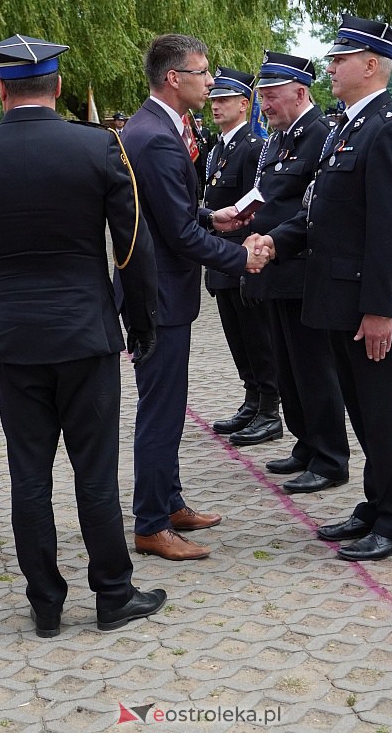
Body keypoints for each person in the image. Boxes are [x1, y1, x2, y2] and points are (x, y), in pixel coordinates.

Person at [0, 34, 166, 637]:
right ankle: (113, 595)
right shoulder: (97, 147)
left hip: (13, 340)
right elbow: (132, 248)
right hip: (85, 335)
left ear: (1, 87)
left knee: (29, 476)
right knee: (94, 474)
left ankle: (45, 602)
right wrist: (139, 322)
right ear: (58, 86)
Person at [249, 15, 392, 561]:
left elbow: (391, 229)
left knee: (386, 413)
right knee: (363, 410)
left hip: (370, 305)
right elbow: (321, 212)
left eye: (340, 59)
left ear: (371, 65)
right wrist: (276, 242)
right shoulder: (348, 126)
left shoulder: (390, 127)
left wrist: (380, 310)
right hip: (340, 300)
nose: (330, 67)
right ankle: (376, 505)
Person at [117, 33, 268, 561]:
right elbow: (176, 235)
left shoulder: (157, 126)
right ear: (174, 78)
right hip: (158, 293)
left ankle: (169, 500)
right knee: (159, 408)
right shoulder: (156, 135)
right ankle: (152, 524)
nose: (211, 81)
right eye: (203, 72)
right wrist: (238, 256)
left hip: (161, 289)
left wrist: (213, 217)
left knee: (169, 405)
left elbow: (172, 213)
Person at [247, 49, 350, 495]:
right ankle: (306, 444)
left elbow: (305, 204)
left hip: (302, 271)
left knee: (313, 367)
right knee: (289, 366)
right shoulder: (282, 136)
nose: (264, 105)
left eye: (271, 96)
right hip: (275, 267)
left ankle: (329, 457)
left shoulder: (317, 134)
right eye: (263, 97)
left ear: (300, 92)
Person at [201, 67, 277, 446]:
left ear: (245, 104)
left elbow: (256, 208)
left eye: (225, 100)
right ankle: (251, 399)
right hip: (221, 260)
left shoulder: (252, 147)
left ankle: (269, 409)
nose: (215, 106)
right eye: (214, 99)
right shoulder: (218, 149)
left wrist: (250, 266)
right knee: (237, 339)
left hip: (242, 259)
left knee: (257, 337)